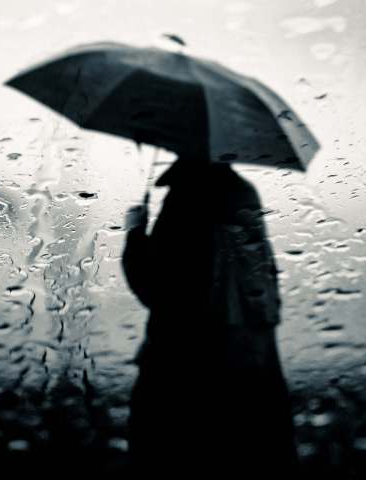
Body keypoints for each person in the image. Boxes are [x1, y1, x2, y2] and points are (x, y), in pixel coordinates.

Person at [122, 155, 298, 475]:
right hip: (252, 364)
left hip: (185, 373)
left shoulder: (187, 196)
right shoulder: (244, 192)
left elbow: (159, 291)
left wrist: (135, 232)